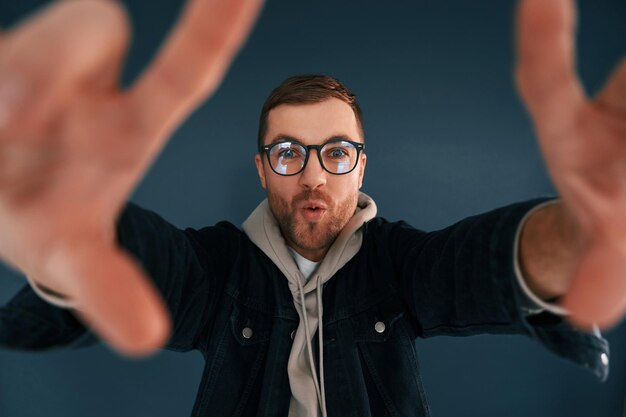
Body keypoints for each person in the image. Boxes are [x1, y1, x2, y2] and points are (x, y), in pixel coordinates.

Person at [0, 0, 623, 416]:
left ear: (362, 164)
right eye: (289, 152)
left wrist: (577, 230)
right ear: (262, 167)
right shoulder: (219, 270)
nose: (313, 176)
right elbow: (153, 267)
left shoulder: (399, 265)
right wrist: (74, 230)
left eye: (337, 152)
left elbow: (477, 269)